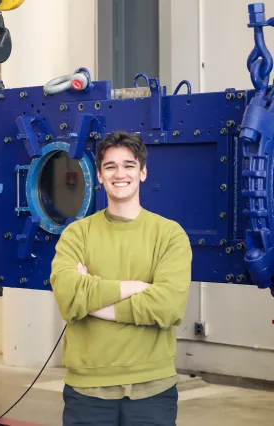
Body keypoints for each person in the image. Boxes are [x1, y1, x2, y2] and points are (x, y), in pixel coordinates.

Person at [50, 130, 192, 426]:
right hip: (87, 390)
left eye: (128, 165)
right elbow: (68, 296)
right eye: (110, 166)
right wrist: (136, 287)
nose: (119, 174)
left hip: (152, 388)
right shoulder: (77, 234)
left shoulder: (169, 235)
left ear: (142, 172)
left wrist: (91, 301)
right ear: (99, 176)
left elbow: (167, 306)